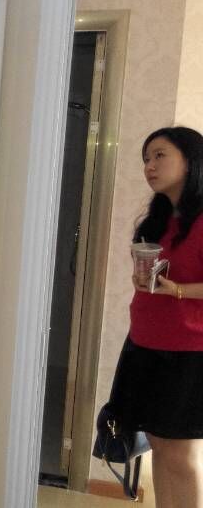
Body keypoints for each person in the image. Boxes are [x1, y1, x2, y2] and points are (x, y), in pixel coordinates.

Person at [111, 126, 203, 507]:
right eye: (146, 159)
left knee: (180, 454)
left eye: (159, 155)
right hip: (145, 344)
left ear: (191, 160)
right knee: (159, 444)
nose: (149, 166)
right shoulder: (160, 220)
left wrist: (178, 290)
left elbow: (180, 286)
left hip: (189, 352)